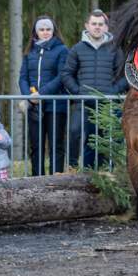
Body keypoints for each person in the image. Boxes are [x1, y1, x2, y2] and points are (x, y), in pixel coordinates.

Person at [61, 9, 128, 169]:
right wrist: (77, 92)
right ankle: (72, 167)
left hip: (107, 104)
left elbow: (125, 76)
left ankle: (109, 173)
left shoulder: (115, 49)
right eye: (94, 24)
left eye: (100, 24)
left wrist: (113, 92)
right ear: (87, 26)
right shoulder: (77, 49)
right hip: (83, 102)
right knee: (74, 132)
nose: (97, 27)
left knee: (105, 140)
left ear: (106, 27)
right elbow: (66, 74)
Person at [19, 15, 69, 176]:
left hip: (56, 105)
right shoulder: (29, 52)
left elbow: (61, 76)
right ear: (35, 32)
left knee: (56, 145)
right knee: (36, 145)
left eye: (48, 29)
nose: (45, 32)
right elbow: (23, 77)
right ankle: (37, 180)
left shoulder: (62, 50)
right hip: (35, 105)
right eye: (42, 29)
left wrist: (42, 93)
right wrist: (30, 95)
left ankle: (56, 181)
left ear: (53, 31)